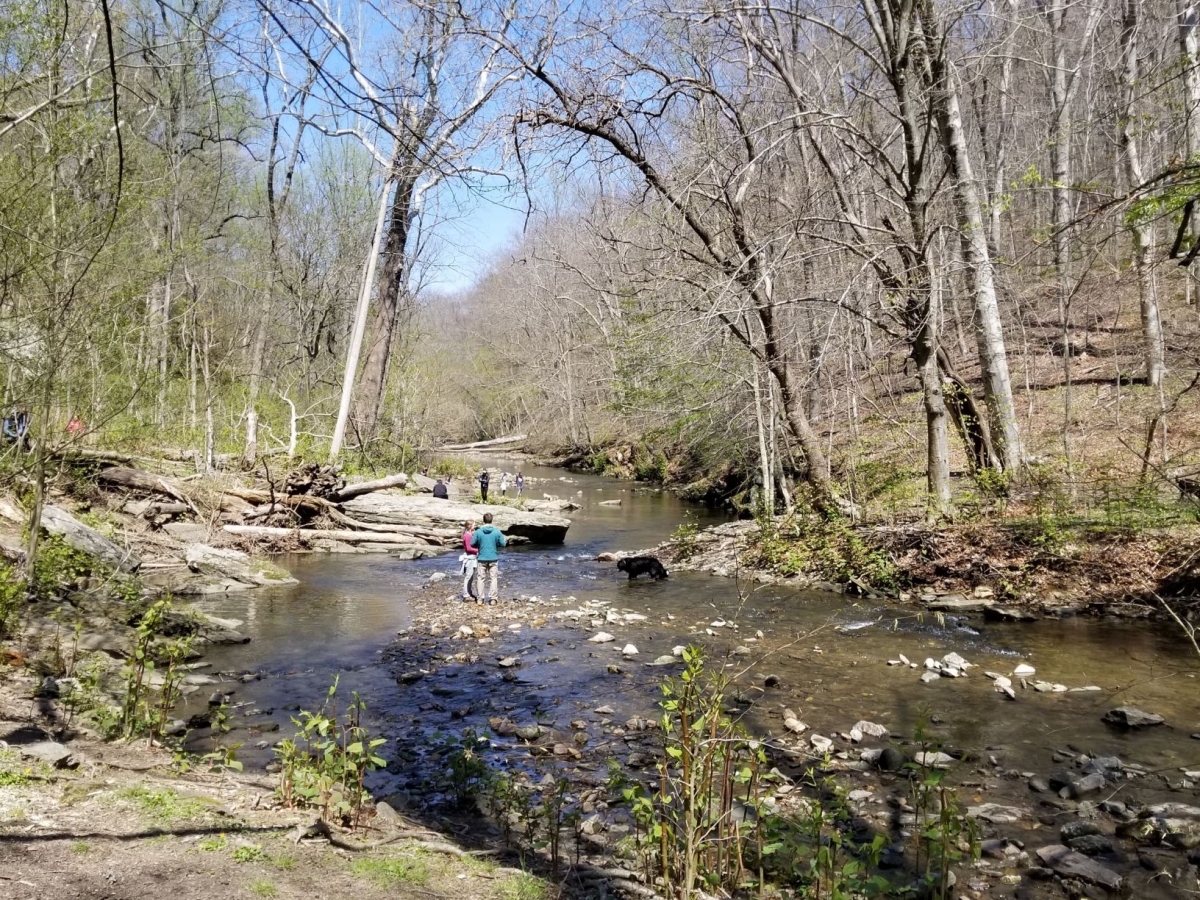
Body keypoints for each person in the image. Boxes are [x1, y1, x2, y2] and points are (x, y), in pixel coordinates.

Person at [469, 512, 507, 603]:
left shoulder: (478, 532)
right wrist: (496, 543)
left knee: (480, 578)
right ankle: (493, 599)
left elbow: (472, 544)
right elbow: (503, 544)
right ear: (492, 520)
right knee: (493, 578)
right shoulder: (497, 531)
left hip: (481, 558)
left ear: (483, 520)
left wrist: (480, 543)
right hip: (493, 557)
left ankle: (480, 599)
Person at [459, 519, 480, 601]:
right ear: (470, 526)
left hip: (472, 557)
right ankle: (466, 595)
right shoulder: (467, 535)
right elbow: (468, 548)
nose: (475, 526)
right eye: (474, 525)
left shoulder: (469, 534)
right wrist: (478, 550)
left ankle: (469, 592)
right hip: (469, 558)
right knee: (468, 576)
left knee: (470, 576)